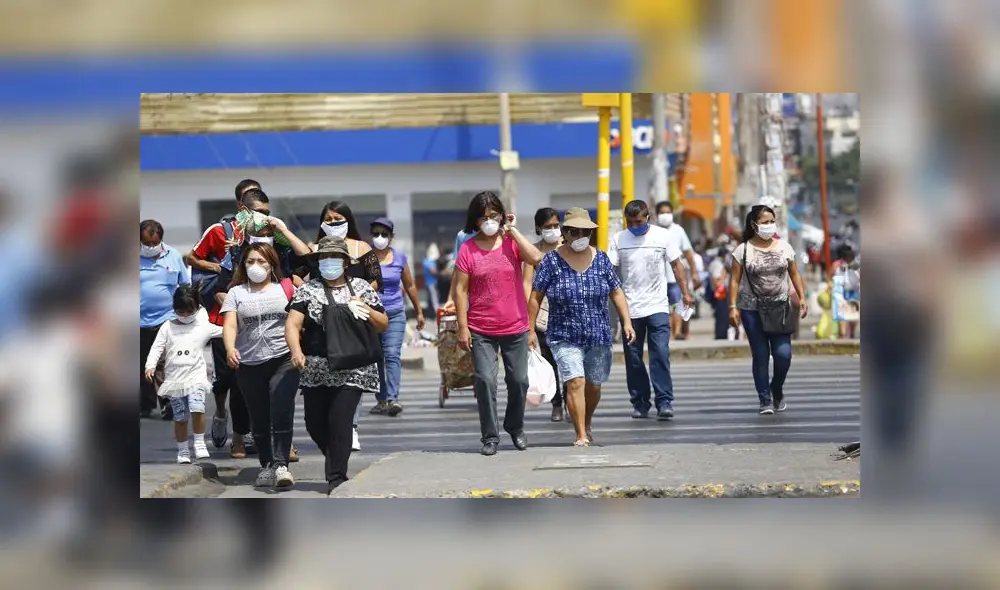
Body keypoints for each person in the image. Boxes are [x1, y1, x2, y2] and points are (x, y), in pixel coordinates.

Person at [285, 237, 388, 495]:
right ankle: (335, 456)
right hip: (316, 366)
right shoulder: (308, 290)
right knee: (314, 422)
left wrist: (365, 308)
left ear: (345, 262)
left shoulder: (362, 287)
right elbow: (292, 325)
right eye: (323, 258)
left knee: (340, 421)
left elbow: (382, 323)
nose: (328, 262)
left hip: (354, 367)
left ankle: (337, 477)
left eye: (334, 257)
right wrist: (296, 351)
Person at [529, 208, 635, 446]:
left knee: (594, 385)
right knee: (575, 381)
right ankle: (581, 434)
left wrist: (626, 321)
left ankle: (586, 421)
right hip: (563, 334)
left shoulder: (601, 259)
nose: (579, 236)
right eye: (574, 232)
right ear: (565, 233)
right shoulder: (551, 261)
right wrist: (530, 330)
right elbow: (535, 296)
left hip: (598, 334)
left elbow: (616, 291)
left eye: (584, 232)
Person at [454, 191, 543, 456]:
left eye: (494, 215)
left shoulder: (511, 243)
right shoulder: (468, 249)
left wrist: (512, 230)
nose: (489, 221)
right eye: (483, 217)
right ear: (475, 221)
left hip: (515, 325)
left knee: (518, 380)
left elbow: (536, 257)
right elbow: (459, 290)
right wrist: (462, 325)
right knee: (484, 380)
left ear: (502, 216)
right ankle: (490, 436)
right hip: (481, 327)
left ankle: (515, 427)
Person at [185, 180, 260, 456]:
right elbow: (191, 258)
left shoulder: (265, 233)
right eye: (248, 199)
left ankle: (245, 432)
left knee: (251, 375)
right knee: (225, 377)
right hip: (220, 317)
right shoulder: (219, 231)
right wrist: (217, 266)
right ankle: (220, 413)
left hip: (254, 317)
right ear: (240, 205)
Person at [301, 202, 383, 451]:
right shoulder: (313, 250)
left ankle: (351, 428)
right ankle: (335, 445)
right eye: (329, 219)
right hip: (320, 326)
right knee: (317, 414)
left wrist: (359, 301)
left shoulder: (362, 248)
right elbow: (296, 273)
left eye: (339, 218)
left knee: (351, 377)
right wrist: (307, 298)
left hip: (354, 320)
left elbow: (375, 280)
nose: (334, 223)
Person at [221, 243, 302, 489]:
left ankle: (281, 465)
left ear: (272, 264)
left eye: (262, 261)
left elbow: (298, 322)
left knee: (280, 409)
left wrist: (298, 351)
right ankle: (266, 464)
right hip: (249, 362)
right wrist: (230, 348)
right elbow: (230, 325)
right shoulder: (236, 293)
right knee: (259, 415)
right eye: (250, 261)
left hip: (283, 359)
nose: (256, 266)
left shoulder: (286, 288)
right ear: (243, 266)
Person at [608, 201, 694, 420]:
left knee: (661, 355)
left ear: (648, 217)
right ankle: (640, 402)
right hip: (630, 310)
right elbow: (611, 271)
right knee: (634, 359)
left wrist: (685, 292)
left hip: (657, 306)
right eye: (631, 222)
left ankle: (664, 400)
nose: (635, 226)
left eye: (639, 221)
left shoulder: (663, 236)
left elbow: (677, 265)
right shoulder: (619, 239)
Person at [727, 205, 808, 414]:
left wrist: (802, 297)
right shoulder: (742, 250)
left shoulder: (784, 247)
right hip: (751, 309)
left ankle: (776, 387)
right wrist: (732, 306)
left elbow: (794, 274)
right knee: (760, 355)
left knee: (783, 355)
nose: (769, 225)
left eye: (771, 221)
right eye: (764, 222)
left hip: (780, 307)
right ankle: (764, 398)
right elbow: (734, 280)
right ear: (754, 225)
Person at [144, 286, 222, 463]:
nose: (185, 316)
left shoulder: (203, 327)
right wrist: (150, 366)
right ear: (173, 308)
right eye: (181, 311)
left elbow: (226, 332)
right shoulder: (167, 327)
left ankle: (200, 443)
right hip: (175, 380)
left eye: (189, 311)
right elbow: (157, 348)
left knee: (198, 408)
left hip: (196, 378)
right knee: (180, 417)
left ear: (197, 308)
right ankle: (183, 449)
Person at [367, 217, 425, 418]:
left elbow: (410, 285)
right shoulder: (365, 258)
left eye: (384, 234)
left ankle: (392, 399)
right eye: (376, 234)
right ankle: (381, 400)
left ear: (391, 237)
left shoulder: (399, 258)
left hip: (395, 314)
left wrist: (418, 311)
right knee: (377, 358)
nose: (380, 238)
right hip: (371, 316)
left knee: (392, 355)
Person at [521, 207, 568, 422]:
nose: (553, 230)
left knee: (569, 360)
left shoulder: (567, 248)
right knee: (550, 362)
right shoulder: (533, 251)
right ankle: (557, 403)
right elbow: (527, 282)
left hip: (568, 311)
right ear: (539, 229)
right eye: (548, 227)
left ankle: (571, 401)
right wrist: (527, 315)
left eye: (555, 225)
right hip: (542, 314)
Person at [140, 219, 191, 420]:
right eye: (146, 244)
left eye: (154, 243)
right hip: (137, 321)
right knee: (142, 364)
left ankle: (169, 402)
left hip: (166, 318)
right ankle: (146, 402)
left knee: (163, 362)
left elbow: (184, 286)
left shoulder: (174, 256)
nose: (151, 248)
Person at [653, 201, 704, 339]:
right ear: (656, 214)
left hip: (675, 278)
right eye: (662, 213)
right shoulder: (652, 230)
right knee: (661, 307)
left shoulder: (678, 230)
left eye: (668, 212)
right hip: (657, 279)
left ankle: (677, 332)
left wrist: (694, 273)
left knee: (677, 305)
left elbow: (689, 254)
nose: (665, 215)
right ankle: (666, 332)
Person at [422, 243, 441, 316]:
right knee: (434, 298)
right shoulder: (427, 262)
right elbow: (433, 271)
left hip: (433, 283)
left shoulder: (431, 261)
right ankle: (437, 313)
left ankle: (431, 314)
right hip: (430, 283)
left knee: (432, 298)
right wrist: (442, 273)